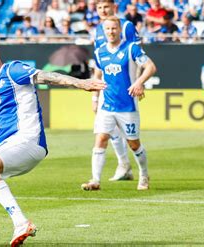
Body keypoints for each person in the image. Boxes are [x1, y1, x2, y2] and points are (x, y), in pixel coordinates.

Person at [0, 37, 106, 247]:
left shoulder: (13, 71)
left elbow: (46, 76)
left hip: (29, 140)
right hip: (9, 147)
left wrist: (80, 83)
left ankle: (21, 223)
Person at [81, 16, 156, 191]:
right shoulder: (100, 52)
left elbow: (151, 67)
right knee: (100, 139)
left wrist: (138, 82)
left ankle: (144, 175)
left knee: (134, 144)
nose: (111, 32)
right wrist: (95, 97)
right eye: (108, 29)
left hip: (127, 106)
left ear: (119, 30)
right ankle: (95, 180)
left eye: (114, 28)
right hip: (107, 105)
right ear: (104, 31)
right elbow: (98, 75)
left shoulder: (131, 48)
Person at [91, 0, 141, 182]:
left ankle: (127, 165)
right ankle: (123, 165)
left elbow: (137, 54)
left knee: (125, 132)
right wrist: (95, 95)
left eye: (106, 7)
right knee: (107, 129)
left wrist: (138, 82)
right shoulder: (98, 29)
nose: (103, 10)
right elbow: (99, 63)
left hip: (126, 84)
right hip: (106, 84)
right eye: (99, 8)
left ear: (114, 7)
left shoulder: (126, 26)